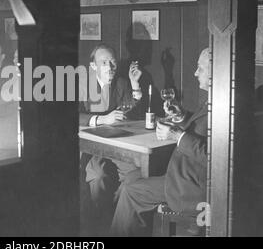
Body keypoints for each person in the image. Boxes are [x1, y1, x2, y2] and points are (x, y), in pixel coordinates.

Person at [110, 48, 210, 236]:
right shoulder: (215, 100)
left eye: (200, 68)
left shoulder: (221, 106)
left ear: (215, 71)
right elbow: (200, 130)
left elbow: (215, 159)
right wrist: (181, 116)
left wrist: (177, 135)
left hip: (191, 186)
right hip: (181, 174)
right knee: (130, 178)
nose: (195, 73)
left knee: (132, 191)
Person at [79, 43, 145, 235]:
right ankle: (97, 222)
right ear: (93, 67)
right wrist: (101, 119)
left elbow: (134, 114)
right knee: (98, 174)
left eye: (113, 62)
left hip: (118, 146)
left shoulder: (122, 83)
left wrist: (135, 85)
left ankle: (115, 221)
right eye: (104, 62)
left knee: (133, 175)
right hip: (91, 148)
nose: (110, 66)